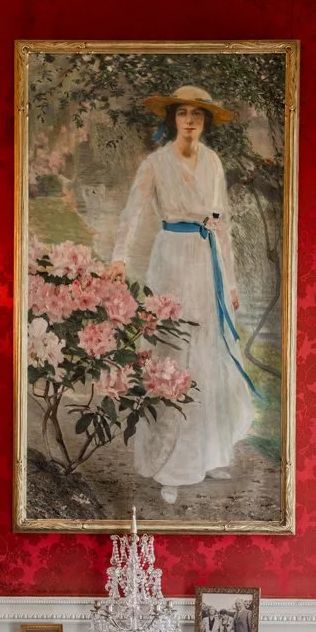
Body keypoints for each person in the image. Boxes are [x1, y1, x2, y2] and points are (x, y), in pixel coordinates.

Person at [110, 85, 254, 505]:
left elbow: (221, 225)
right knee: (172, 354)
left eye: (197, 114)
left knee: (207, 353)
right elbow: (132, 213)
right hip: (170, 260)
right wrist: (118, 259)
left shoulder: (213, 162)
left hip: (205, 262)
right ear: (172, 119)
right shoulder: (156, 163)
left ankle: (207, 455)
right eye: (182, 113)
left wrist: (230, 283)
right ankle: (169, 464)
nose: (189, 120)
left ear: (205, 121)